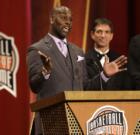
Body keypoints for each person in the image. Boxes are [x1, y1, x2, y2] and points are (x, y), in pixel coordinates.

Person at [27, 6, 127, 135]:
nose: (68, 22)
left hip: (77, 123)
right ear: (51, 19)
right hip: (51, 124)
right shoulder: (37, 49)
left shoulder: (78, 51)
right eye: (63, 18)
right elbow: (34, 86)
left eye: (70, 19)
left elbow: (85, 87)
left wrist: (104, 75)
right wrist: (45, 72)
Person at [85, 18, 131, 90]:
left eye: (107, 32)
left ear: (111, 36)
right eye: (99, 32)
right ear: (92, 35)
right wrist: (104, 76)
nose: (103, 36)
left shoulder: (121, 61)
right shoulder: (84, 60)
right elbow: (84, 88)